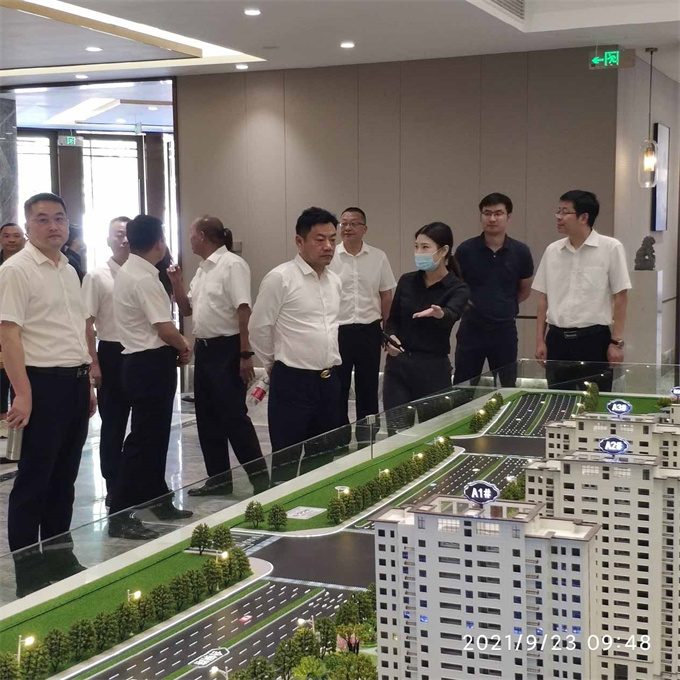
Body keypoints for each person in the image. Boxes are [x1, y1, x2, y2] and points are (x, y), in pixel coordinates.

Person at [0, 193, 96, 595]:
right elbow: (9, 334)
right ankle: (29, 572)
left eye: (59, 218)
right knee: (34, 482)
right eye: (42, 219)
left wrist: (87, 379)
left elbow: (78, 328)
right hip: (41, 385)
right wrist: (22, 394)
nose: (53, 226)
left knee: (64, 478)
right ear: (27, 226)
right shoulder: (16, 270)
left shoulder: (69, 268)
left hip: (73, 382)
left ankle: (60, 556)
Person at [167, 215, 269, 496]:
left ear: (201, 235)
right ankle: (219, 480)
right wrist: (176, 282)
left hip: (228, 348)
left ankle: (261, 479)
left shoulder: (232, 265)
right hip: (205, 349)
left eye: (191, 232)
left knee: (234, 417)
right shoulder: (203, 270)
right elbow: (187, 309)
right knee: (207, 417)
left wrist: (245, 353)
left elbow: (243, 309)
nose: (189, 238)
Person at [108, 215, 193, 540]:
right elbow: (164, 327)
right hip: (149, 364)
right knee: (143, 441)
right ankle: (120, 514)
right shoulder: (144, 278)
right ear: (159, 242)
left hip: (142, 362)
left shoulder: (132, 271)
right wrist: (184, 345)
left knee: (155, 438)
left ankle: (158, 498)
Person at [249, 207, 342, 484]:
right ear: (299, 242)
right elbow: (258, 328)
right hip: (292, 381)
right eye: (320, 239)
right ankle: (283, 509)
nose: (328, 246)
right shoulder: (281, 278)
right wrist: (273, 363)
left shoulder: (335, 281)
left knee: (323, 459)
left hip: (328, 381)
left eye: (332, 239)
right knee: (287, 461)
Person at [533, 190, 631, 392]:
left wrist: (616, 342)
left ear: (584, 217)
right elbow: (543, 298)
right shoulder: (553, 250)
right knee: (559, 401)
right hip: (557, 340)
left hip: (593, 340)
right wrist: (540, 340)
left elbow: (620, 296)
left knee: (594, 400)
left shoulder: (610, 248)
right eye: (558, 211)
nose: (558, 217)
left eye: (565, 212)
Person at [383, 222, 469, 425]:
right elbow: (392, 320)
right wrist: (389, 339)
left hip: (433, 369)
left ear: (443, 251)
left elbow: (452, 313)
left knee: (431, 429)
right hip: (399, 366)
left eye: (425, 247)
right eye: (416, 247)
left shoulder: (458, 288)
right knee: (397, 428)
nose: (419, 252)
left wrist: (440, 314)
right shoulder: (407, 281)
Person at [328, 207, 396, 442]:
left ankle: (367, 439)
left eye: (354, 223)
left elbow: (386, 294)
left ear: (364, 229)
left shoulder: (378, 256)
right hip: (338, 331)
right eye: (344, 223)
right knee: (338, 388)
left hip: (369, 329)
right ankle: (339, 439)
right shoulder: (330, 256)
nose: (347, 228)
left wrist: (387, 330)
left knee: (368, 388)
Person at [453, 193, 533, 387]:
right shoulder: (465, 250)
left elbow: (524, 289)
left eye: (498, 213)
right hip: (471, 329)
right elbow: (456, 286)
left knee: (506, 386)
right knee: (463, 386)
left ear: (508, 217)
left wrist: (503, 303)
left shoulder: (521, 251)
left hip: (504, 330)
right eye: (487, 213)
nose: (492, 219)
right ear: (481, 216)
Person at [83, 217, 131, 505]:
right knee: (113, 423)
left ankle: (140, 480)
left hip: (141, 354)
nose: (124, 240)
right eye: (118, 234)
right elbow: (86, 323)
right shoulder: (97, 276)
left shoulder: (144, 273)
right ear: (108, 240)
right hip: (111, 354)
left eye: (127, 234)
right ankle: (113, 484)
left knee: (145, 424)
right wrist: (93, 362)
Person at [0, 222, 26, 446]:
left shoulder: (30, 264)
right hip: (3, 330)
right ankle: (3, 431)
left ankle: (19, 436)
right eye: (7, 236)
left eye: (16, 236)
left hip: (28, 334)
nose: (11, 240)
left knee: (21, 384)